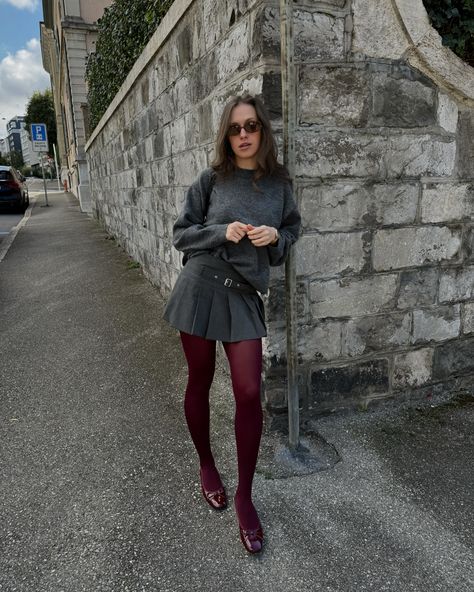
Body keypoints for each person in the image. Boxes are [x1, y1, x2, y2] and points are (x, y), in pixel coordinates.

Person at [163, 94, 301, 554]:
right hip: (200, 285)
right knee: (199, 379)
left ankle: (244, 496)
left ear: (263, 130)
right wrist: (222, 232)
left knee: (247, 391)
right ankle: (206, 465)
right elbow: (182, 232)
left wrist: (276, 236)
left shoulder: (280, 184)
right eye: (235, 128)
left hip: (244, 295)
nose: (243, 135)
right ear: (227, 134)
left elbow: (292, 231)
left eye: (251, 126)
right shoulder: (211, 179)